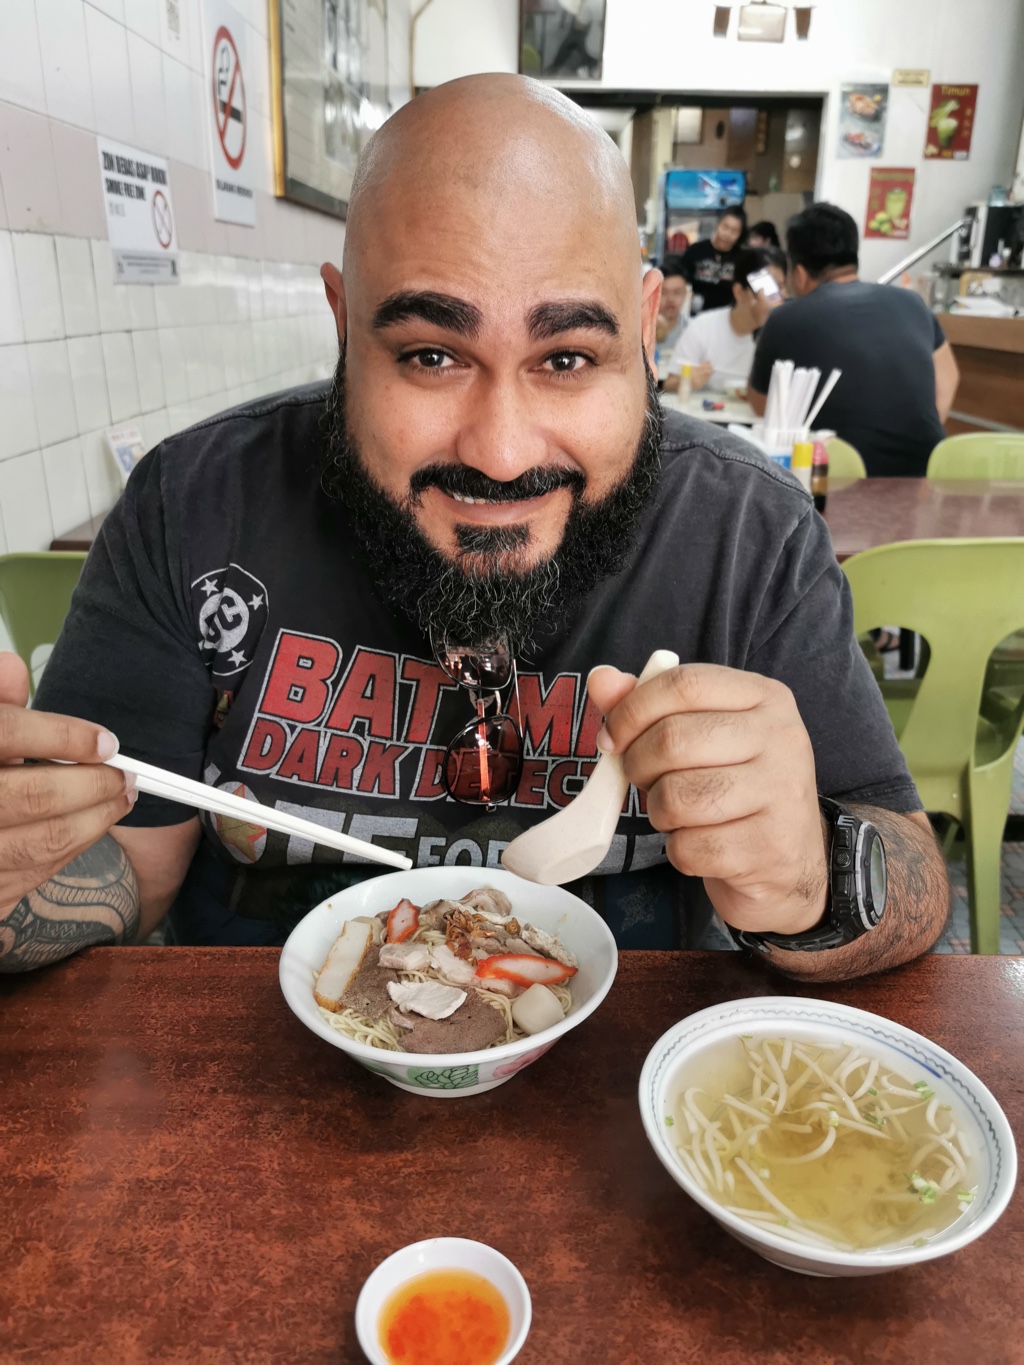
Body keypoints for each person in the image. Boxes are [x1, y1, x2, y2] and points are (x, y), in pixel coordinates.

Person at [0, 76, 948, 980]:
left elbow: (910, 871)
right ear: (342, 324)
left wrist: (815, 878)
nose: (499, 452)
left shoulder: (747, 532)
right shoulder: (194, 504)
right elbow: (123, 867)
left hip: (629, 1072)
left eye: (566, 357)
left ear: (647, 328)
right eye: (431, 355)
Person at [749, 203, 959, 476]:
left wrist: (763, 326)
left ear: (799, 273)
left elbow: (762, 406)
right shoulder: (913, 303)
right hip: (924, 477)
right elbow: (949, 377)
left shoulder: (784, 318)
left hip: (833, 480)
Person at [664, 246, 785, 394]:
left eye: (781, 288)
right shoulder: (703, 327)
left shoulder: (781, 335)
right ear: (739, 292)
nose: (778, 299)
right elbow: (669, 384)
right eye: (769, 289)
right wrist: (688, 380)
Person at [678, 207, 745, 315]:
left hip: (728, 317)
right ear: (717, 224)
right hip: (696, 316)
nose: (727, 234)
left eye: (734, 231)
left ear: (740, 234)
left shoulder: (742, 258)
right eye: (725, 227)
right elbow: (681, 282)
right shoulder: (695, 251)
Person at [653, 255, 689, 383]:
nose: (671, 299)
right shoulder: (640, 328)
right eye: (664, 292)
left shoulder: (691, 331)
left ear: (686, 294)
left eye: (677, 293)